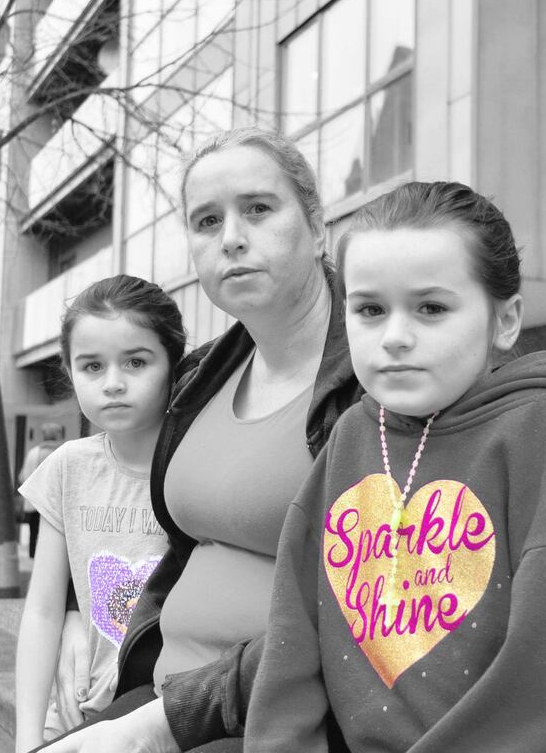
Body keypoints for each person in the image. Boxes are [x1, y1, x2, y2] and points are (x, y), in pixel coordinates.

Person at [245, 181, 546, 752]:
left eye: (431, 308)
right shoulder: (353, 433)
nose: (396, 337)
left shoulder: (538, 427)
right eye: (370, 309)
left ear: (504, 322)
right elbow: (294, 639)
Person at [38, 127, 361, 753]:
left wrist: (163, 723)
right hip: (157, 691)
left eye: (259, 209)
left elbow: (379, 610)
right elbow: (114, 480)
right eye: (206, 221)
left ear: (318, 225)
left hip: (283, 718)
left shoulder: (380, 381)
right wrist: (77, 607)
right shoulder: (200, 376)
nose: (231, 237)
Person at [16, 275, 186, 753]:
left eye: (136, 361)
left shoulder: (195, 465)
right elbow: (43, 610)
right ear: (70, 372)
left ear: (172, 363)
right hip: (71, 714)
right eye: (92, 366)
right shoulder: (68, 468)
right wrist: (27, 739)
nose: (113, 383)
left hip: (157, 719)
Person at [19, 423, 66, 558]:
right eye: (59, 433)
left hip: (33, 502)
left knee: (34, 532)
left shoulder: (33, 452)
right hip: (51, 503)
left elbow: (22, 477)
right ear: (56, 435)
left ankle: (33, 559)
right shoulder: (58, 453)